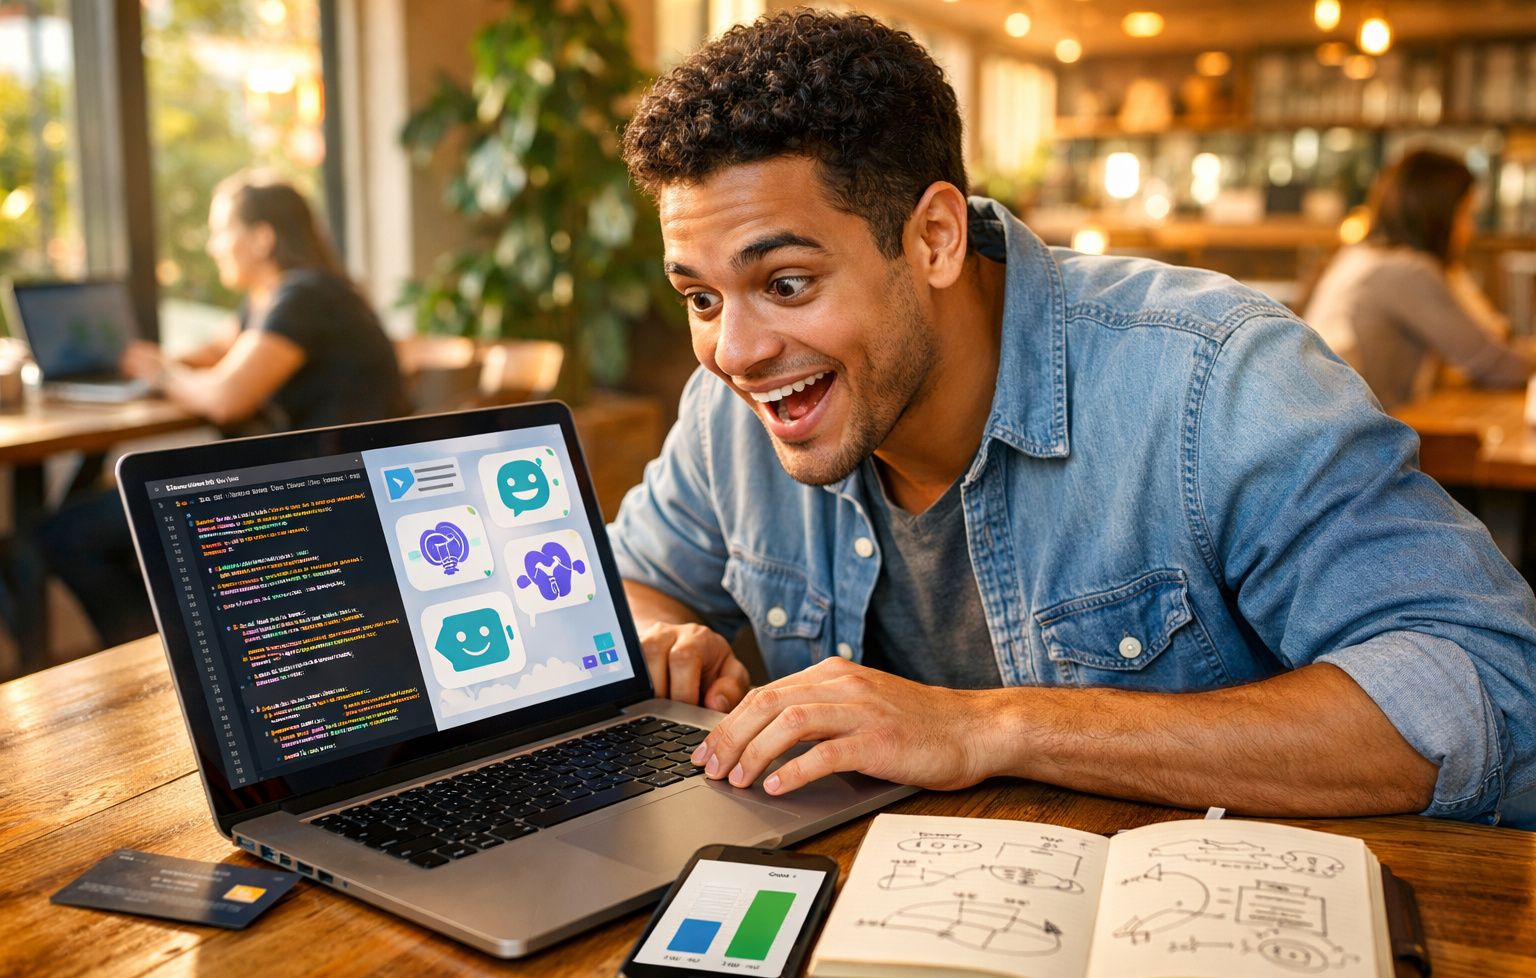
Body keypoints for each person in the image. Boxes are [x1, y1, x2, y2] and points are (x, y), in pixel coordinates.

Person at [609, 10, 1536, 826]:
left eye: (786, 284)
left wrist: (989, 726)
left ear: (933, 238)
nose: (734, 351)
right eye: (699, 297)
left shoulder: (1210, 376)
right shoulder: (736, 413)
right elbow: (634, 584)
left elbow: (1481, 687)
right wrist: (662, 641)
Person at [41, 172, 402, 647]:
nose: (212, 246)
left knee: (68, 534)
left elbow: (227, 398)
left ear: (260, 238)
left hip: (322, 497)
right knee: (93, 523)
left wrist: (160, 374)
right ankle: (179, 652)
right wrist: (151, 363)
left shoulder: (304, 297)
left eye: (220, 231)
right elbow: (217, 354)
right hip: (317, 482)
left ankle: (169, 660)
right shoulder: (275, 299)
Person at [1303, 148, 1533, 408]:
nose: (1471, 229)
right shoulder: (1405, 272)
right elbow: (1496, 366)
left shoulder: (1362, 257)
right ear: (1437, 214)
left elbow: (1490, 340)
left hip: (1331, 433)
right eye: (1466, 214)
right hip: (1356, 440)